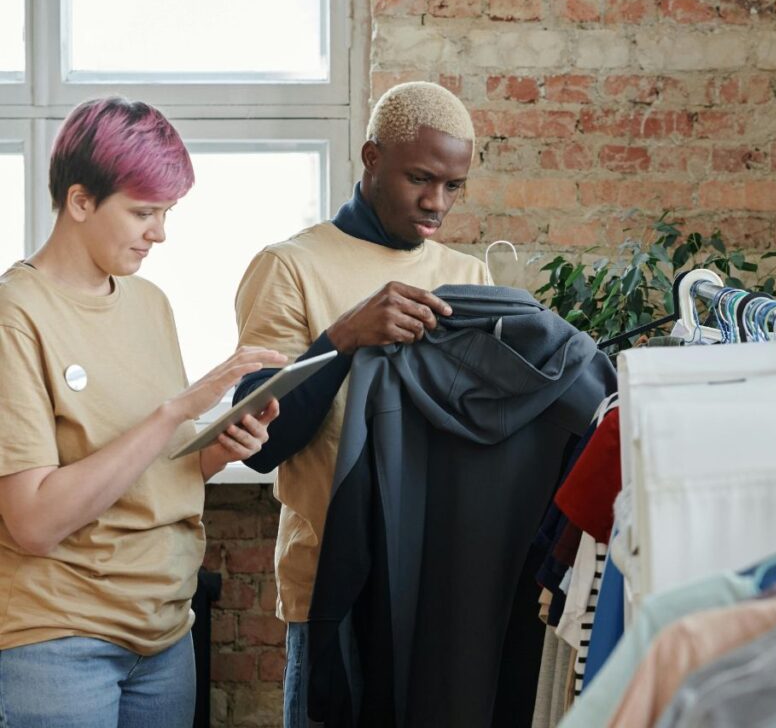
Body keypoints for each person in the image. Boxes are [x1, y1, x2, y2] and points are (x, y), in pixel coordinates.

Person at [0, 97, 286, 728]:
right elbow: (34, 522)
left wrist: (218, 446)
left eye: (166, 212)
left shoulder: (150, 302)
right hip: (57, 643)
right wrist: (175, 410)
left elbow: (151, 475)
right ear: (79, 202)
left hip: (164, 635)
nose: (159, 232)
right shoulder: (15, 314)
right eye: (143, 212)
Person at [232, 81, 490, 726]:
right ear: (372, 158)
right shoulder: (289, 267)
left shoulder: (471, 275)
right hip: (330, 586)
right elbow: (257, 444)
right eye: (420, 179)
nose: (436, 204)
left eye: (453, 186)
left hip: (438, 583)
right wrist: (341, 339)